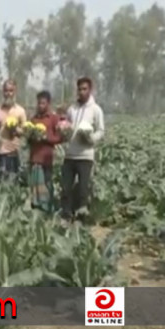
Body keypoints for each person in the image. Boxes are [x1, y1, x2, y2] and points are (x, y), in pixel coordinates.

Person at [60, 77, 105, 222]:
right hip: (70, 154)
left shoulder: (96, 110)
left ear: (90, 90)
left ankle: (81, 216)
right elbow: (67, 125)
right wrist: (64, 131)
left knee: (83, 188)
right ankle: (66, 214)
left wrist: (92, 138)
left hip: (85, 156)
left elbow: (101, 131)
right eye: (79, 89)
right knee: (66, 187)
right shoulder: (72, 109)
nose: (81, 92)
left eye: (85, 89)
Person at [27, 91, 62, 212]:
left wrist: (46, 138)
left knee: (47, 184)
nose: (40, 105)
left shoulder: (53, 119)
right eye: (39, 103)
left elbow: (59, 138)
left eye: (43, 103)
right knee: (35, 186)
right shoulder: (34, 119)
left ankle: (48, 209)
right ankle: (36, 208)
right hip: (34, 158)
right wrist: (31, 136)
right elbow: (28, 140)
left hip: (46, 158)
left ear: (48, 103)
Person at [0, 79, 27, 181]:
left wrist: (15, 129)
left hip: (13, 152)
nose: (8, 94)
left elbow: (25, 132)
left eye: (11, 91)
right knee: (0, 182)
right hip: (0, 152)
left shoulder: (20, 111)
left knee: (12, 183)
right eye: (6, 91)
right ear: (3, 92)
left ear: (15, 92)